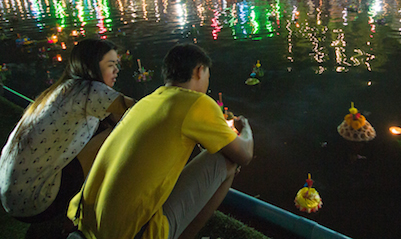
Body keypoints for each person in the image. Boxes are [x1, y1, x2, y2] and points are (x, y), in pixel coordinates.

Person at [68, 44, 254, 239]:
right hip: (130, 235)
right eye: (208, 75)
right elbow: (244, 155)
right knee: (226, 161)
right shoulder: (196, 102)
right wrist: (245, 128)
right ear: (199, 71)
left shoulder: (146, 102)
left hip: (83, 224)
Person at [0, 39, 134, 224]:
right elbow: (140, 110)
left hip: (12, 197)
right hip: (36, 201)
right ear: (92, 67)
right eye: (111, 65)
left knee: (109, 123)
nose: (116, 70)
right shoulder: (89, 90)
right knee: (121, 129)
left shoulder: (62, 90)